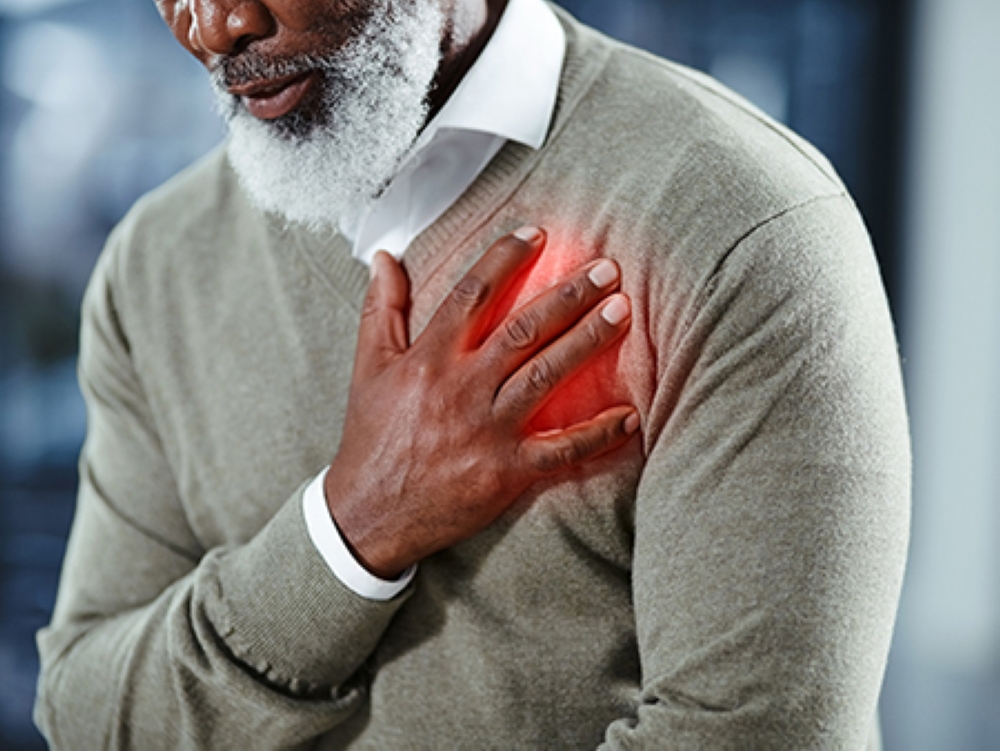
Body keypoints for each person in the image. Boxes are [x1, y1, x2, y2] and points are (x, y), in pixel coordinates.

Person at [34, 0, 910, 748]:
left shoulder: (738, 228)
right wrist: (348, 533)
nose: (215, 26)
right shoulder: (158, 261)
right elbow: (86, 714)